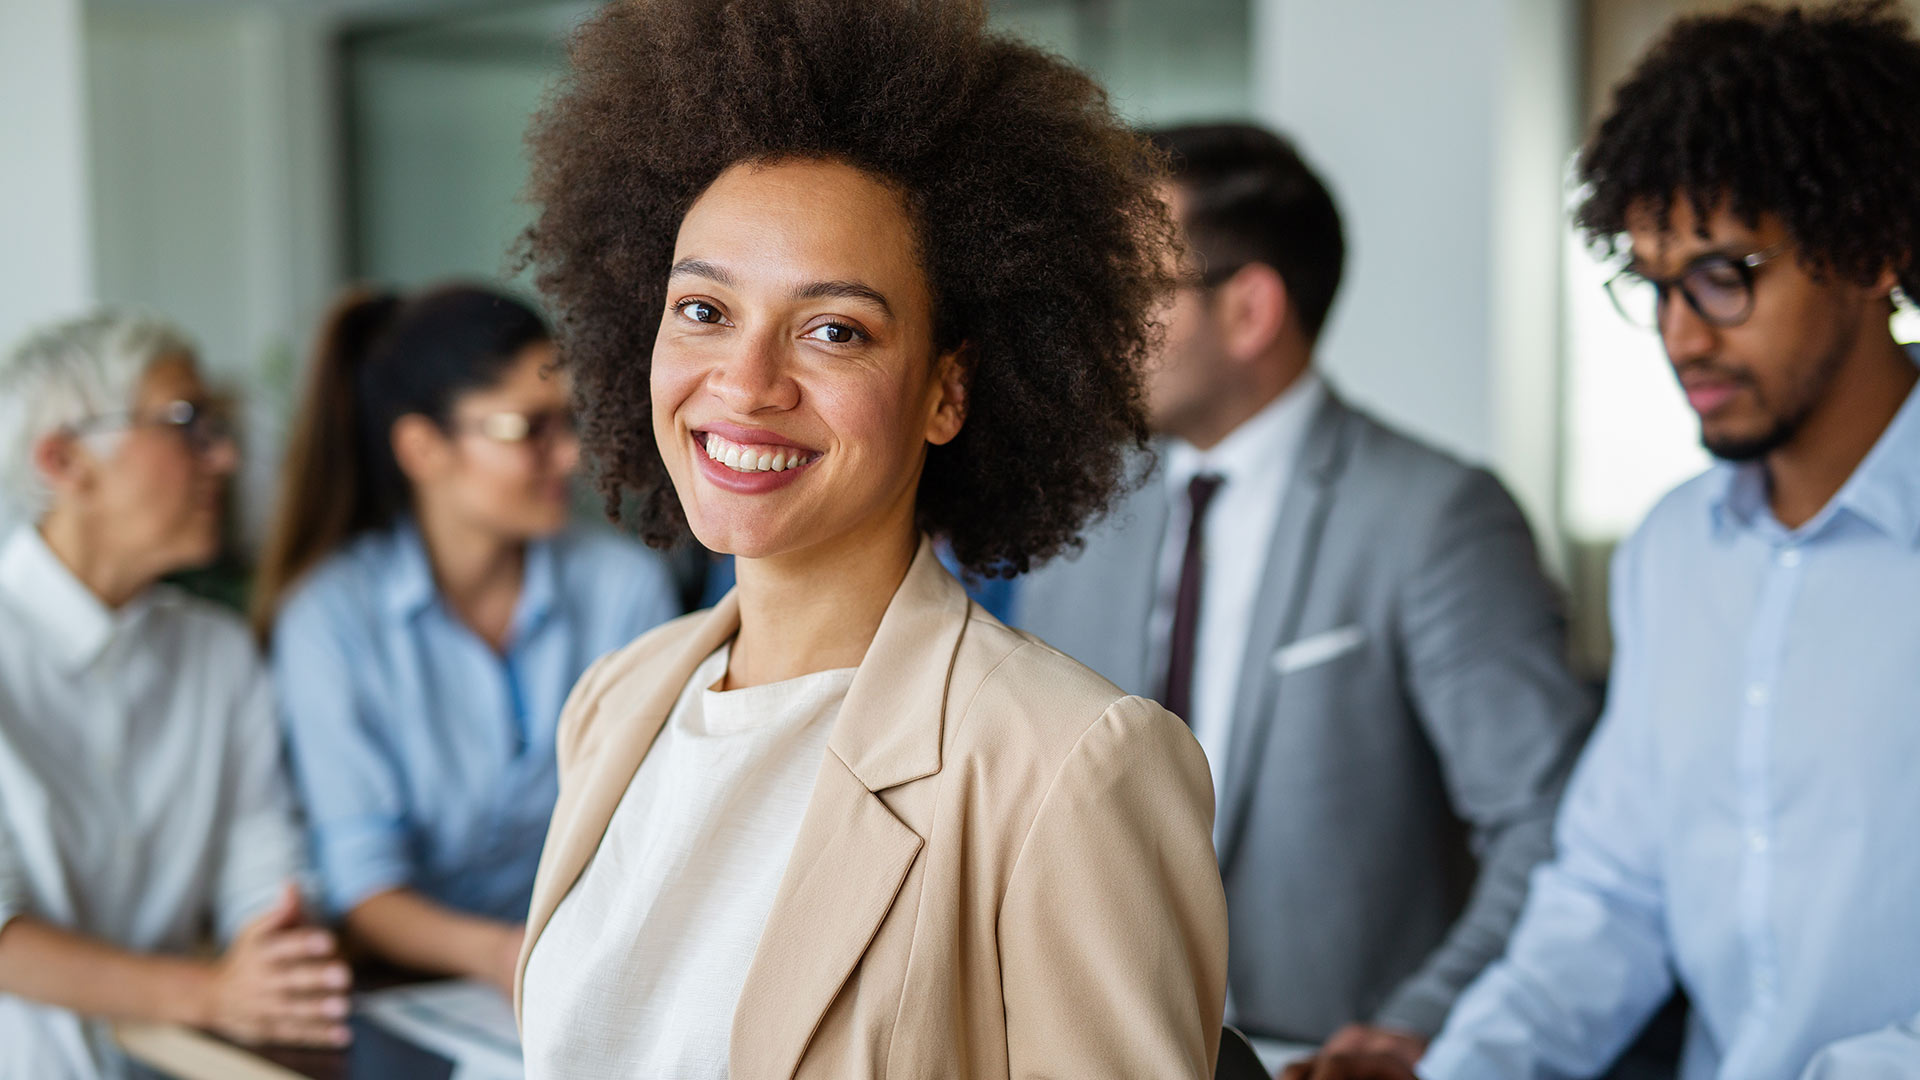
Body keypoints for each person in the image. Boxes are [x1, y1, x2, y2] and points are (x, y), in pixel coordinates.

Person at [509, 0, 1228, 1076]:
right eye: (703, 310)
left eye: (834, 330)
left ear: (948, 390)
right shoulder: (616, 704)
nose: (745, 385)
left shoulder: (1066, 767)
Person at [1291, 4, 1920, 1079]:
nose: (1682, 335)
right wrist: (1461, 1069)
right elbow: (1608, 898)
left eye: (1726, 276)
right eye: (1657, 285)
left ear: (1870, 252)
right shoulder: (1674, 555)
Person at [1014, 121, 1597, 1063]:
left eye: (1131, 288)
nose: (1099, 323)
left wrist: (1418, 1026)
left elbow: (1549, 820)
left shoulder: (1435, 516)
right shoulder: (1082, 520)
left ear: (1249, 310)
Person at [255, 285, 679, 993]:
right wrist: (510, 958)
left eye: (569, 421)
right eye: (527, 428)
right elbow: (365, 889)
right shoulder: (331, 620)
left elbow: (653, 826)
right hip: (416, 990)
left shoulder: (624, 587)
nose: (569, 455)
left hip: (599, 969)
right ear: (423, 447)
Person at [0, 311, 350, 1078]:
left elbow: (264, 864)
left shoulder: (216, 652)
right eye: (185, 423)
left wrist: (274, 959)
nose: (222, 457)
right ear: (63, 460)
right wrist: (213, 994)